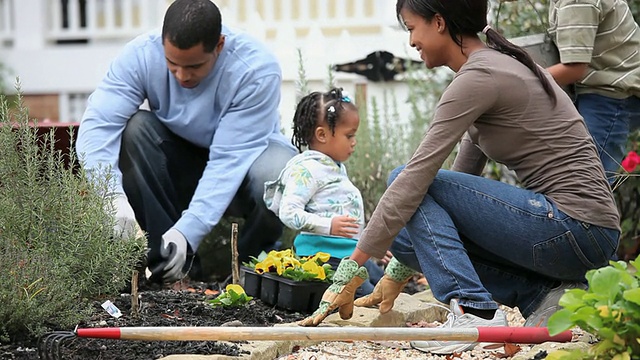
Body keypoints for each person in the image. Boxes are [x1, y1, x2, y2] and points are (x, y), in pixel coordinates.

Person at [298, 0, 621, 355]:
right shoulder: (492, 68)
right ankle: (543, 295)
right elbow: (450, 195)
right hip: (581, 236)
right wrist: (395, 276)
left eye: (411, 28)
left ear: (438, 22)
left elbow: (416, 178)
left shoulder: (480, 77)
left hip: (575, 226)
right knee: (407, 237)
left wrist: (350, 269)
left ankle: (474, 311)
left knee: (403, 178)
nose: (410, 43)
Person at [76, 0, 295, 283]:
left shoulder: (255, 69)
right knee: (136, 129)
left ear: (219, 45)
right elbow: (97, 127)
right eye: (172, 64)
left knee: (278, 172)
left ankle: (249, 271)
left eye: (194, 66)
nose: (181, 75)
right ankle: (174, 271)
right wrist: (111, 198)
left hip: (244, 167)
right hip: (182, 163)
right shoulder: (141, 55)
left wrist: (188, 231)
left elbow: (228, 160)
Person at [263, 87, 388, 297]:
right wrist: (328, 225)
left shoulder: (333, 166)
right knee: (368, 299)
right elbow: (289, 212)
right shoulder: (306, 170)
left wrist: (370, 245)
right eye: (349, 135)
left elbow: (344, 215)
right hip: (323, 259)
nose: (354, 141)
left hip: (347, 255)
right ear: (322, 134)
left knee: (386, 286)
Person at [545, 0, 640, 184]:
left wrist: (521, 80)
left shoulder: (576, 2)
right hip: (603, 86)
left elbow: (574, 68)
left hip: (612, 95)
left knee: (586, 186)